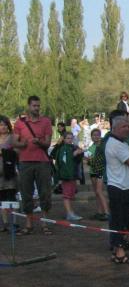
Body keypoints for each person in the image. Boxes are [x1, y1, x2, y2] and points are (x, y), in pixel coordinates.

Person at [13, 96, 53, 235]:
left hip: (42, 162)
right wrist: (22, 144)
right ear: (28, 106)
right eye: (34, 106)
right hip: (25, 162)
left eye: (38, 106)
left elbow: (47, 143)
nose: (37, 108)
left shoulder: (46, 121)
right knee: (26, 193)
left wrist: (39, 142)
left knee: (45, 193)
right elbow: (14, 142)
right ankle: (28, 224)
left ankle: (45, 223)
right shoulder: (20, 123)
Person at [105, 115, 129, 264]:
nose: (127, 129)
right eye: (124, 127)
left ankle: (117, 250)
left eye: (128, 126)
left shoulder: (121, 143)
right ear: (114, 128)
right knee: (119, 220)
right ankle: (120, 253)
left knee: (123, 219)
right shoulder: (116, 144)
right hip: (119, 187)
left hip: (124, 186)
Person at [52, 131, 84, 221]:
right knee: (67, 195)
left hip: (72, 175)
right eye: (68, 138)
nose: (70, 140)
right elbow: (63, 162)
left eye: (71, 138)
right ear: (64, 139)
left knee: (70, 194)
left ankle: (69, 212)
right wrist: (74, 154)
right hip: (67, 175)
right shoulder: (64, 149)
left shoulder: (72, 147)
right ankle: (69, 213)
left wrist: (80, 153)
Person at [84, 128, 110, 221]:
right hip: (92, 172)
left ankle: (107, 212)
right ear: (91, 137)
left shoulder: (103, 146)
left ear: (100, 136)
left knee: (99, 191)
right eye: (93, 135)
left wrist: (90, 160)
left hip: (100, 171)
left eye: (97, 135)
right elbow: (87, 160)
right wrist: (87, 160)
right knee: (96, 193)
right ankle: (100, 212)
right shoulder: (91, 147)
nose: (95, 137)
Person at [0, 115, 19, 232]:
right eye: (1, 125)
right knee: (2, 199)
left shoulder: (12, 138)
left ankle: (14, 222)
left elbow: (18, 151)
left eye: (5, 124)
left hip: (10, 172)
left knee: (11, 198)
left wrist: (6, 152)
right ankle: (5, 223)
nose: (3, 127)